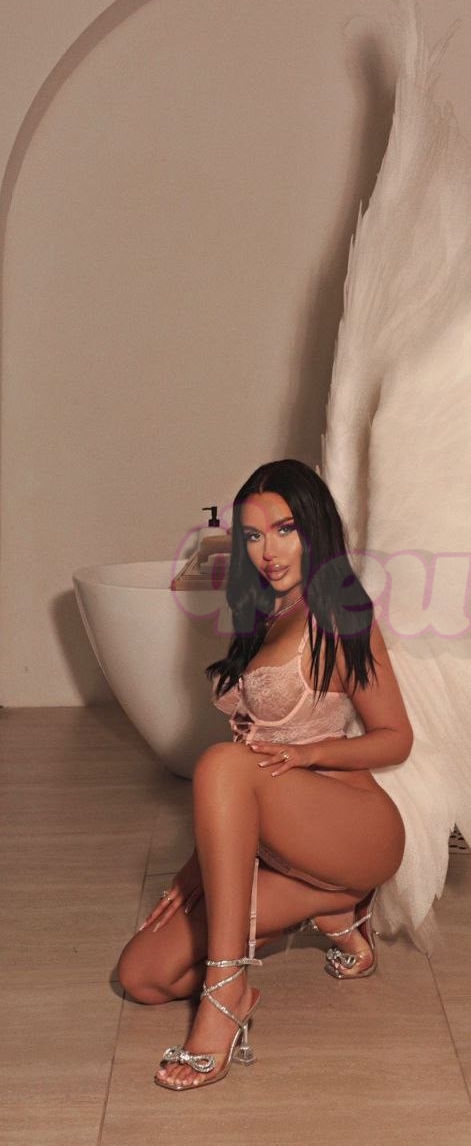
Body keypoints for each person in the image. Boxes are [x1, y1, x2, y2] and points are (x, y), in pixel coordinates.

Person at [116, 459, 411, 1091]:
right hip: (283, 845)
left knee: (220, 761)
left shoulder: (342, 617)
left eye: (284, 530)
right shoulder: (264, 616)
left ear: (315, 529)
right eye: (252, 535)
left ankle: (225, 997)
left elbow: (396, 737)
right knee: (143, 975)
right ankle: (333, 907)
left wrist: (310, 753)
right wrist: (196, 871)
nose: (267, 551)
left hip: (355, 830)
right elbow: (240, 788)